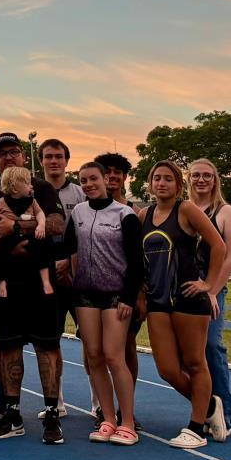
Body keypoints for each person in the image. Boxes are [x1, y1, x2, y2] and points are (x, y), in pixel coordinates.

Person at [0, 132, 66, 443]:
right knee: (8, 347)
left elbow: (56, 224)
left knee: (47, 346)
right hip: (5, 282)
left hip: (40, 283)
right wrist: (0, 248)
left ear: (23, 155)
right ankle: (11, 413)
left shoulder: (42, 188)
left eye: (13, 152)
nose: (8, 157)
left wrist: (17, 227)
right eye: (1, 154)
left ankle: (52, 414)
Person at [142, 160, 226, 449]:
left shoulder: (187, 209)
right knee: (167, 368)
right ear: (150, 183)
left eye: (168, 179)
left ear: (179, 185)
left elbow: (219, 245)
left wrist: (209, 284)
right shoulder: (144, 215)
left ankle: (196, 428)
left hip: (188, 298)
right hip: (157, 301)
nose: (162, 183)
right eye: (157, 178)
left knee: (195, 362)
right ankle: (211, 407)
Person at [66, 161, 142, 447]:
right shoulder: (78, 213)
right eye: (83, 180)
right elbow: (67, 248)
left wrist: (129, 296)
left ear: (106, 181)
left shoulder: (125, 214)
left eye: (93, 179)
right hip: (85, 294)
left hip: (116, 295)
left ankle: (128, 423)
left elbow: (136, 261)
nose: (88, 184)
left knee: (114, 356)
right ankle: (107, 418)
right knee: (94, 356)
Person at [188, 157, 231, 441]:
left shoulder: (224, 211)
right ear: (189, 178)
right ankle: (207, 410)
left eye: (207, 175)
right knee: (188, 355)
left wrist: (212, 290)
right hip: (184, 289)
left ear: (215, 179)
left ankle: (226, 411)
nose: (201, 180)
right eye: (196, 175)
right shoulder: (182, 210)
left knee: (211, 347)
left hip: (212, 289)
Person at [39, 137, 85, 418]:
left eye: (58, 156)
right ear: (41, 161)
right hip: (46, 272)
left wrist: (70, 262)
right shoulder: (33, 192)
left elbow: (87, 231)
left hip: (78, 272)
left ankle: (99, 404)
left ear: (67, 161)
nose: (53, 161)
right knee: (50, 341)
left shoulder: (80, 193)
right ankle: (56, 402)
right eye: (48, 156)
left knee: (92, 341)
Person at [95, 151, 145, 407]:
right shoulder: (87, 209)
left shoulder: (135, 212)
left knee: (125, 349)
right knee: (96, 353)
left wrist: (139, 294)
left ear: (125, 177)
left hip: (125, 293)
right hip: (94, 292)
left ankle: (127, 407)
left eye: (118, 172)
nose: (112, 176)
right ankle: (103, 407)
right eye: (107, 171)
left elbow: (139, 258)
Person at [0, 166, 51, 292]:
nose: (32, 186)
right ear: (15, 187)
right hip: (8, 237)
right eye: (28, 183)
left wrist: (41, 225)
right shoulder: (3, 201)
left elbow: (40, 213)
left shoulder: (32, 200)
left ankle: (45, 281)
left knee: (42, 247)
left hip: (27, 235)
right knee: (0, 255)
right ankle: (2, 282)